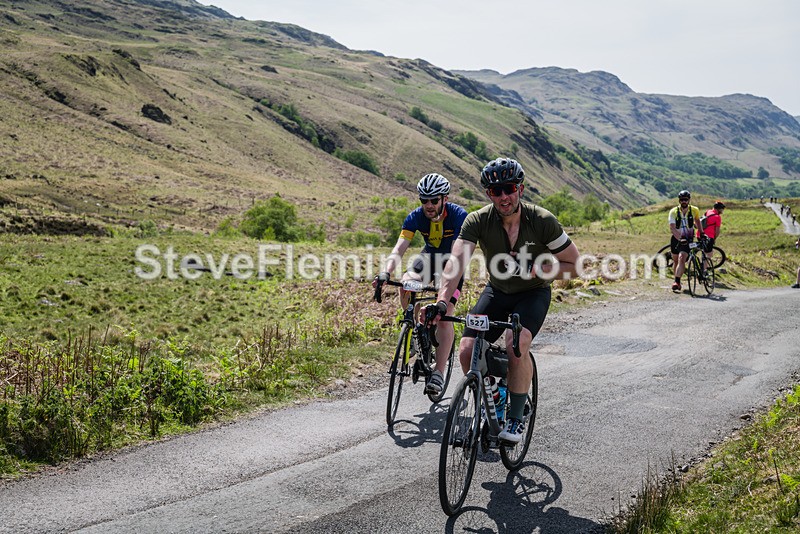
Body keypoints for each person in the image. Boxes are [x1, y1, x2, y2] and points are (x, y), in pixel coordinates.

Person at [423, 157, 580, 444]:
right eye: (496, 191)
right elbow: (455, 263)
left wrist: (542, 269)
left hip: (533, 292)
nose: (504, 196)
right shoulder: (478, 220)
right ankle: (497, 392)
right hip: (497, 291)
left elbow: (574, 264)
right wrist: (443, 302)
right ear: (488, 194)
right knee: (468, 350)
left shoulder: (542, 221)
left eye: (508, 189)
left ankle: (517, 417)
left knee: (515, 344)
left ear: (520, 189)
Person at [373, 173, 468, 396]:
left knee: (444, 316)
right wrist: (385, 272)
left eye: (433, 200)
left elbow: (455, 258)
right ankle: (413, 330)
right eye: (424, 200)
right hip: (428, 258)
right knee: (406, 282)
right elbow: (399, 248)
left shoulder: (458, 216)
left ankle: (439, 372)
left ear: (444, 198)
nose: (428, 205)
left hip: (452, 263)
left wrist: (443, 294)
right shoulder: (415, 217)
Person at [668, 190, 705, 292]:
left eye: (686, 200)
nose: (684, 201)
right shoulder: (673, 212)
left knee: (681, 258)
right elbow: (672, 227)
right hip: (676, 239)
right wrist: (680, 238)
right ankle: (676, 280)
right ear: (679, 200)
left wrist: (701, 233)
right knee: (675, 260)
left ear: (689, 200)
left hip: (688, 239)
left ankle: (677, 282)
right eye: (682, 200)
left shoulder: (694, 210)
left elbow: (697, 221)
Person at [698, 200, 725, 273]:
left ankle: (700, 264)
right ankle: (704, 270)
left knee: (703, 250)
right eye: (722, 209)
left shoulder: (708, 212)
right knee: (709, 253)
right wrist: (714, 238)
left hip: (700, 234)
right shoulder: (717, 217)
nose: (722, 211)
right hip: (709, 236)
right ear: (719, 209)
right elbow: (717, 231)